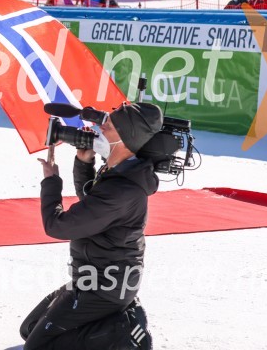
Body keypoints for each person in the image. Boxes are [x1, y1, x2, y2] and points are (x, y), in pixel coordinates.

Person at [20, 102, 163, 350]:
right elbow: (92, 208)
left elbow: (58, 227)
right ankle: (115, 317)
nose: (102, 125)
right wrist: (84, 163)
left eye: (111, 123)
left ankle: (123, 331)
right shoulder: (120, 171)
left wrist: (51, 181)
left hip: (105, 288)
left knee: (37, 348)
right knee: (30, 329)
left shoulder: (122, 189)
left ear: (127, 136)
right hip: (90, 279)